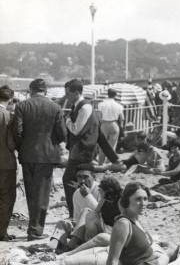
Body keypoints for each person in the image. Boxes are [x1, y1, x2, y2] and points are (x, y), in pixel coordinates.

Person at [98, 182, 180, 265]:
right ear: (127, 201)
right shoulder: (123, 224)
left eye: (145, 199)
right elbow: (111, 262)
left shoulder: (135, 220)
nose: (143, 203)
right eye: (138, 199)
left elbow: (124, 255)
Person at [63, 79, 125, 218]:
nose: (66, 96)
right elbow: (100, 136)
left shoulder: (84, 108)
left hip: (82, 152)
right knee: (81, 183)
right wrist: (114, 158)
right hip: (83, 152)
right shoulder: (82, 107)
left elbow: (76, 130)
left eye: (68, 93)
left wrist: (66, 120)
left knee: (70, 181)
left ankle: (76, 214)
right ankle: (83, 212)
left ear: (77, 92)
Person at [15, 79, 66, 240]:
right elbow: (62, 134)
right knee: (42, 194)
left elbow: (17, 131)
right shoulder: (55, 107)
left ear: (31, 90)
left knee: (30, 193)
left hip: (27, 155)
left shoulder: (22, 106)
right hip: (47, 156)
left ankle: (33, 228)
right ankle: (36, 231)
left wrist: (21, 148)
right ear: (46, 91)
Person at [0, 86, 17, 241]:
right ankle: (2, 232)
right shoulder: (7, 116)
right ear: (10, 99)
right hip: (5, 163)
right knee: (6, 197)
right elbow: (11, 143)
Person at [96, 88, 124, 164]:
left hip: (104, 124)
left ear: (107, 94)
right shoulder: (118, 105)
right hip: (114, 124)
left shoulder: (101, 104)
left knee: (102, 145)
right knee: (112, 146)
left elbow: (98, 116)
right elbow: (122, 118)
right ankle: (110, 163)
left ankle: (100, 162)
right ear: (115, 95)